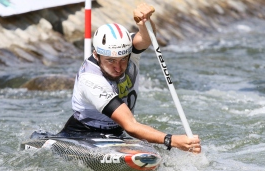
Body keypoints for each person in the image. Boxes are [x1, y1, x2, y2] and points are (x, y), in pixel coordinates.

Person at [57, 3, 201, 154]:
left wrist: (145, 22)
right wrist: (171, 140)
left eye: (123, 59)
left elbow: (146, 38)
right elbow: (130, 125)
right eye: (110, 61)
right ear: (96, 55)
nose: (118, 67)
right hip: (81, 135)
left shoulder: (125, 49)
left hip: (115, 133)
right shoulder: (91, 80)